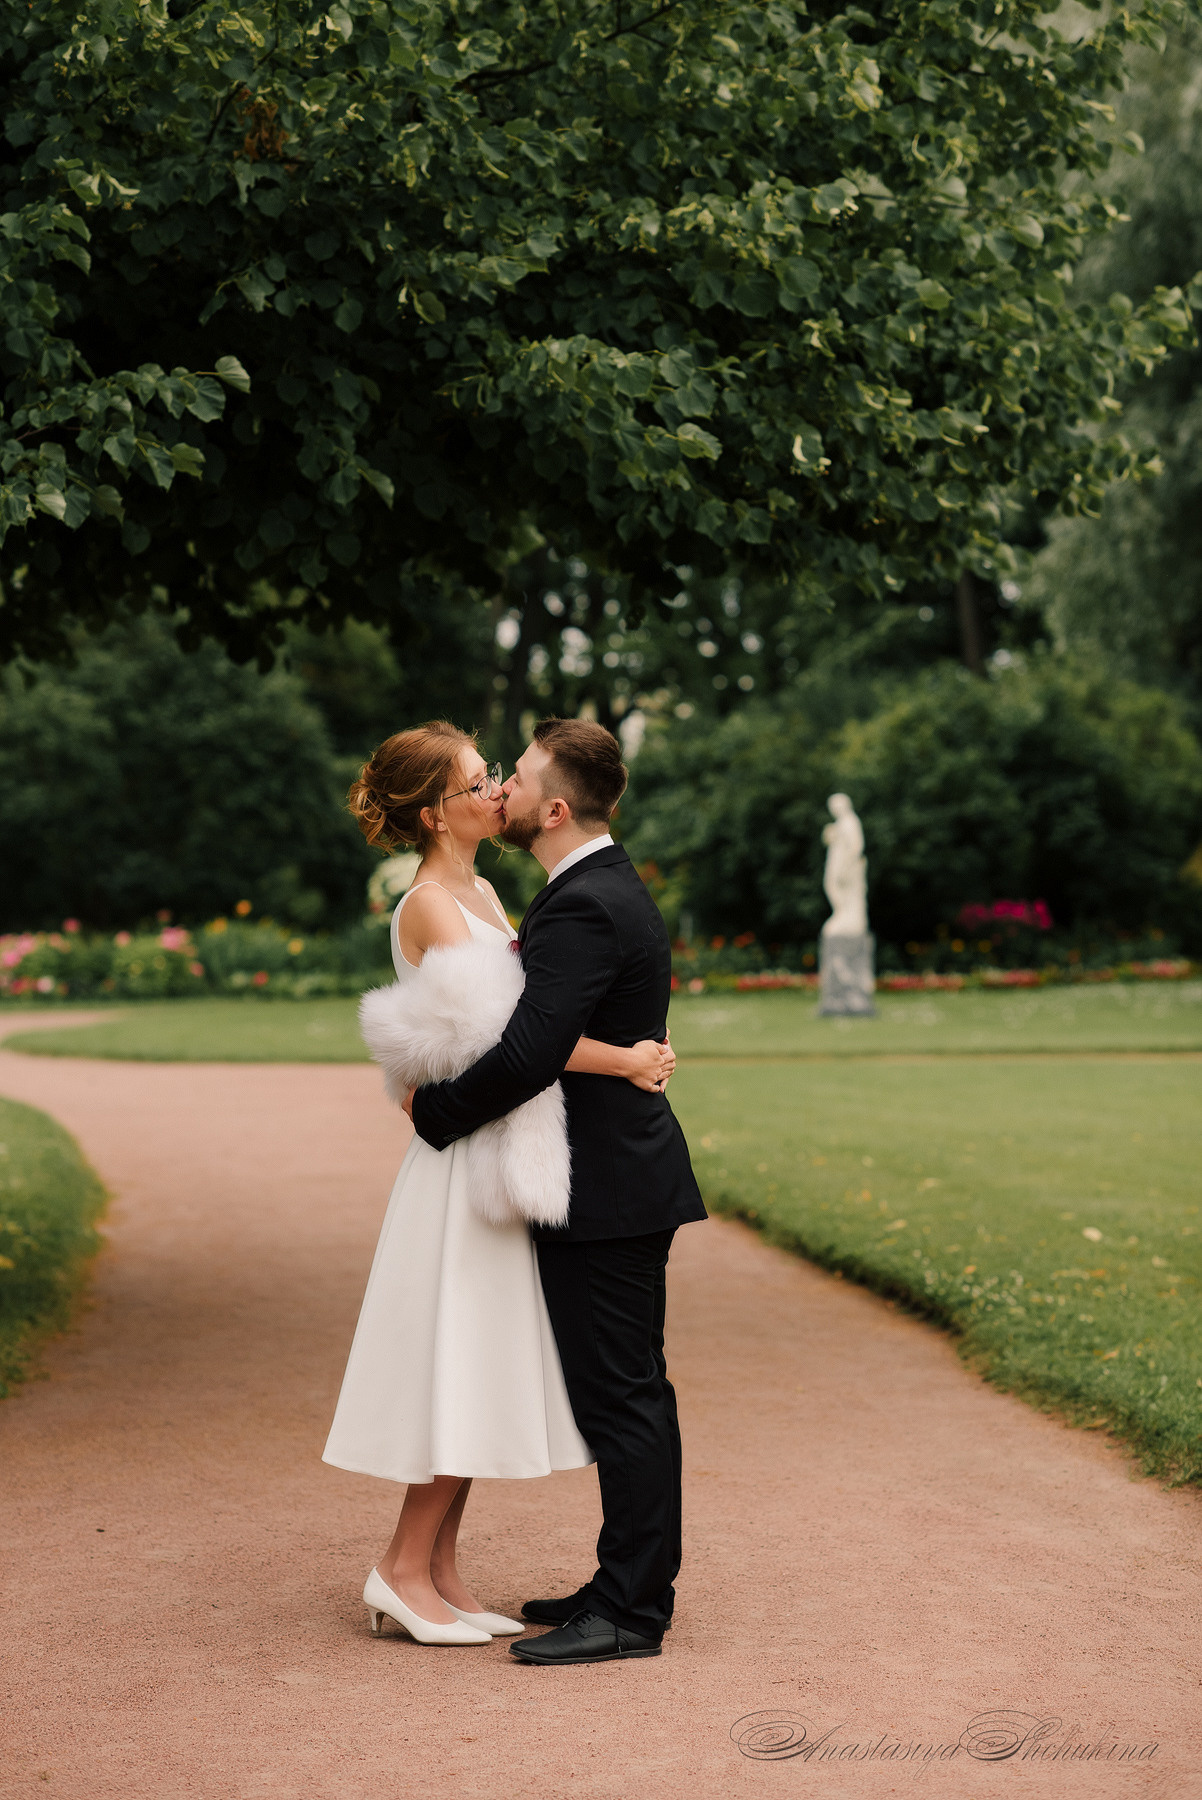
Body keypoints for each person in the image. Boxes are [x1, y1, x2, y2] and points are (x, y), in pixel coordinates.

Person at [322, 721, 676, 1648]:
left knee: (471, 1367)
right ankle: (403, 1570)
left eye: (498, 777)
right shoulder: (434, 903)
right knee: (458, 1363)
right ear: (435, 811)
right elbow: (512, 1046)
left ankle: (438, 1573)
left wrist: (620, 1058)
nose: (495, 792)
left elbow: (528, 1031)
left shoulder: (483, 888)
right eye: (479, 781)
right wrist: (627, 1058)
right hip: (463, 1166)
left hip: (491, 1155)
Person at [407, 718, 707, 1667]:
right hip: (613, 1177)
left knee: (624, 1396)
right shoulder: (595, 887)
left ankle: (630, 1609)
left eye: (519, 777)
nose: (503, 790)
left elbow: (532, 1048)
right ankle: (624, 1579)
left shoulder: (582, 903)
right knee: (623, 1390)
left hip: (609, 1187)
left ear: (557, 807)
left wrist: (436, 1114)